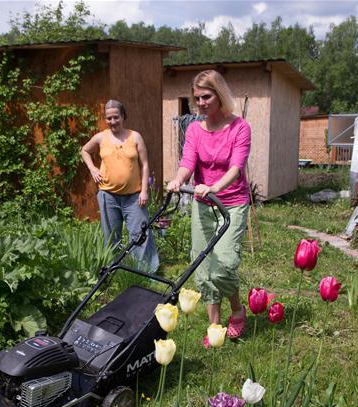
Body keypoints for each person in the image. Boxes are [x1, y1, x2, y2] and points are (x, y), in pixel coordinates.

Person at [166, 70, 251, 346]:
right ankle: (214, 327)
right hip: (203, 206)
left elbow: (237, 168)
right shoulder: (194, 130)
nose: (201, 102)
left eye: (206, 96)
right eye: (197, 97)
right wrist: (179, 179)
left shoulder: (239, 128)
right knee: (203, 267)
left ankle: (237, 309)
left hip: (232, 204)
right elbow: (188, 162)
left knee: (223, 266)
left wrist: (215, 187)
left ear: (219, 95)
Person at [81, 100, 159, 273]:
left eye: (116, 117)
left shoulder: (135, 137)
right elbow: (85, 151)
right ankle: (114, 270)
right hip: (108, 196)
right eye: (109, 118)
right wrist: (93, 168)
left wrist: (144, 190)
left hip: (134, 196)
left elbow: (145, 165)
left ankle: (146, 272)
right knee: (111, 236)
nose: (113, 121)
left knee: (140, 234)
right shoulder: (101, 137)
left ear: (123, 116)